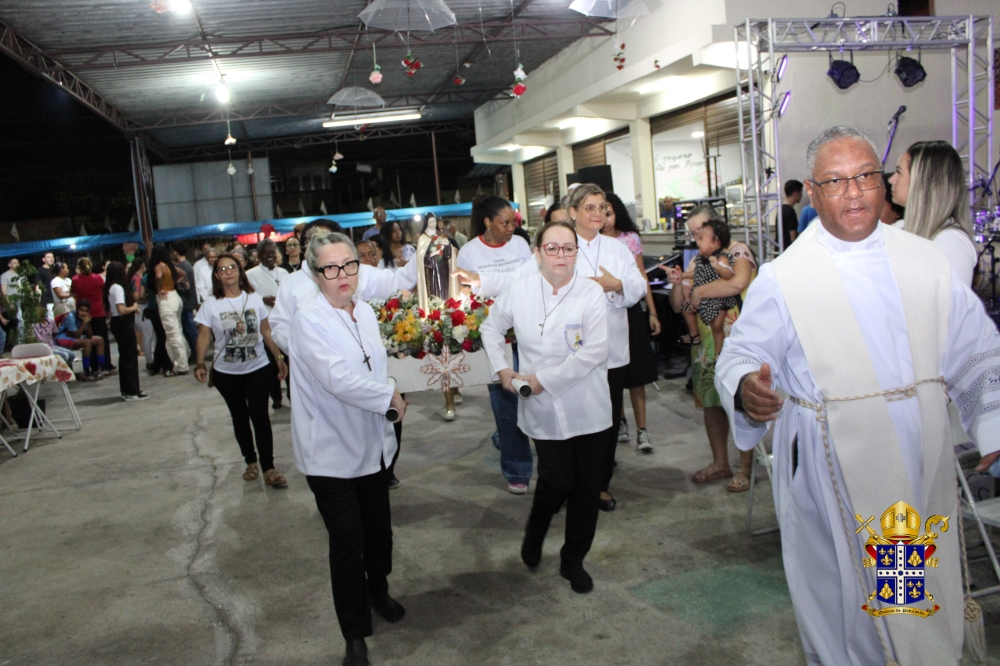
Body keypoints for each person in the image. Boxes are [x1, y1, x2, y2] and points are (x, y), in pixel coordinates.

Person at [717, 125, 1000, 665]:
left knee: (903, 594)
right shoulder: (785, 277)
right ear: (815, 192)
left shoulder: (924, 260)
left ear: (882, 184)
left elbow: (976, 348)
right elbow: (739, 354)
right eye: (836, 181)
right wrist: (745, 390)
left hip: (911, 468)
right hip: (829, 468)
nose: (854, 192)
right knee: (839, 594)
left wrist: (993, 424)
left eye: (866, 176)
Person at [459, 186, 647, 510]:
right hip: (558, 355)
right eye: (590, 207)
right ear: (573, 212)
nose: (598, 213)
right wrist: (479, 279)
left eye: (603, 207)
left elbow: (638, 286)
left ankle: (598, 484)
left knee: (605, 421)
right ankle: (564, 484)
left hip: (608, 351)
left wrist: (616, 285)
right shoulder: (558, 244)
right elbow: (516, 278)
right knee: (562, 429)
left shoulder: (617, 250)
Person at [289, 232, 408, 666]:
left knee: (379, 534)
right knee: (347, 541)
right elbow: (337, 379)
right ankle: (354, 633)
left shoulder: (366, 314)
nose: (344, 275)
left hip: (374, 446)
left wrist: (392, 389)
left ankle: (379, 590)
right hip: (331, 454)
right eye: (332, 268)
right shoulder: (310, 319)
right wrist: (389, 397)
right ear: (315, 273)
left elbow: (376, 368)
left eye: (350, 265)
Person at [481, 220, 610, 593]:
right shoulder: (519, 291)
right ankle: (536, 529)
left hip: (589, 407)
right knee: (556, 480)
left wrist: (543, 380)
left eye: (568, 248)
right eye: (551, 248)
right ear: (537, 253)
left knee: (586, 487)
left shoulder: (590, 293)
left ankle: (573, 560)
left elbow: (595, 351)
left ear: (577, 253)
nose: (561, 255)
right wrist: (502, 368)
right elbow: (491, 329)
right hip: (540, 408)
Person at [666, 205, 757, 493]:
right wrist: (679, 284)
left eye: (699, 230)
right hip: (706, 345)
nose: (696, 237)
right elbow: (679, 304)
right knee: (711, 403)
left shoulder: (738, 251)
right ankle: (720, 462)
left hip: (737, 338)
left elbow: (738, 283)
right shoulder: (697, 260)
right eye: (692, 233)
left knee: (743, 404)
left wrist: (701, 291)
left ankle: (746, 467)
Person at [455, 195, 535, 492]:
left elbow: (527, 281)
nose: (511, 228)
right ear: (487, 222)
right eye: (504, 223)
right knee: (506, 396)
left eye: (513, 222)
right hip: (493, 333)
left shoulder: (521, 246)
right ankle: (518, 468)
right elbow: (465, 295)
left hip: (527, 328)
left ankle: (505, 437)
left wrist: (486, 280)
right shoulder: (469, 252)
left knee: (531, 392)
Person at [194, 253, 288, 488]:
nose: (228, 272)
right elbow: (204, 335)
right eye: (222, 269)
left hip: (257, 367)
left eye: (232, 267)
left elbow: (266, 331)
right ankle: (250, 462)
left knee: (260, 416)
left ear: (240, 270)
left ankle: (268, 467)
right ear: (216, 275)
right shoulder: (211, 303)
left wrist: (278, 357)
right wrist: (199, 363)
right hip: (227, 373)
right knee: (239, 417)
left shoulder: (254, 298)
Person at [270, 220, 418, 356]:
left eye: (329, 240)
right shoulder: (291, 283)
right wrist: (306, 351)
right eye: (315, 241)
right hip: (311, 369)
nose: (321, 247)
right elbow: (279, 327)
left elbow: (398, 281)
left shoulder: (357, 272)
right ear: (305, 246)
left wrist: (423, 250)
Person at [600, 192, 659, 453]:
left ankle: (643, 430)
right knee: (612, 374)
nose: (604, 217)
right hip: (603, 315)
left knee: (636, 375)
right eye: (600, 211)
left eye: (609, 211)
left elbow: (641, 277)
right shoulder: (591, 243)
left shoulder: (629, 239)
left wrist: (653, 312)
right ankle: (620, 422)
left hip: (631, 310)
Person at [889, 140, 977, 287]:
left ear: (922, 182)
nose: (892, 179)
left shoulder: (951, 242)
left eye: (899, 172)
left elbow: (948, 306)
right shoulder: (900, 228)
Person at [246, 239, 290, 411]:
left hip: (285, 323)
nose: (270, 256)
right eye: (266, 253)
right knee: (272, 364)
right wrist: (263, 299)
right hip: (265, 325)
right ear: (259, 255)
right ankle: (276, 397)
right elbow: (247, 298)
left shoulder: (284, 273)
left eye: (273, 252)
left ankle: (292, 397)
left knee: (289, 360)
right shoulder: (251, 274)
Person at [683, 220, 737, 358]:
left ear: (714, 242)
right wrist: (683, 275)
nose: (697, 241)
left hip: (717, 298)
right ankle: (694, 335)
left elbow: (729, 274)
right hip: (704, 298)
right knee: (686, 309)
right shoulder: (701, 259)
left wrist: (718, 266)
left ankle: (720, 354)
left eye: (700, 238)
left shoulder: (721, 258)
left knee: (717, 326)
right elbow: (698, 273)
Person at [104, 261, 148, 401]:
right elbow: (121, 309)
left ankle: (128, 389)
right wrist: (134, 307)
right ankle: (131, 390)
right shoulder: (117, 288)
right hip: (123, 323)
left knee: (126, 358)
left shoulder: (111, 287)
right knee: (129, 358)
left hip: (119, 324)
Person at [148, 246, 190, 376]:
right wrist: (174, 284)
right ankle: (183, 358)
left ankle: (181, 365)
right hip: (175, 296)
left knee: (172, 333)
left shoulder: (158, 266)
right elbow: (183, 274)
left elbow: (158, 277)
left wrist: (158, 288)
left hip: (166, 300)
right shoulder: (169, 265)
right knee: (178, 330)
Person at [71, 258, 115, 375]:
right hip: (99, 311)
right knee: (102, 339)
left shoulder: (75, 280)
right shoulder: (97, 278)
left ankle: (93, 367)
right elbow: (104, 291)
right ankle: (105, 365)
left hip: (84, 313)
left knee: (88, 339)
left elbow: (73, 293)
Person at [55, 299, 106, 381]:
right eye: (81, 310)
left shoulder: (84, 319)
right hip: (63, 337)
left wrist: (88, 323)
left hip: (75, 337)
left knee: (99, 340)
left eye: (86, 311)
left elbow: (89, 335)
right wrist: (84, 323)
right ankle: (87, 373)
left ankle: (102, 368)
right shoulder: (71, 317)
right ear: (77, 309)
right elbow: (77, 335)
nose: (83, 313)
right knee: (86, 343)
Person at [172, 241, 200, 359]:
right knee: (188, 328)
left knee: (189, 328)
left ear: (175, 252)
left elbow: (186, 285)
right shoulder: (187, 264)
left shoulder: (183, 266)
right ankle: (195, 351)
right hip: (189, 301)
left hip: (185, 302)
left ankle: (197, 352)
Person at [128, 258, 148, 358]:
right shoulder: (137, 279)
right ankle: (143, 348)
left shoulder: (133, 278)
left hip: (136, 306)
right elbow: (136, 296)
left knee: (138, 329)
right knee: (141, 330)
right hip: (140, 306)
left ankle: (141, 348)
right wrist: (145, 295)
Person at [778, 179, 803, 249]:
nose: (802, 196)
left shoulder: (780, 210)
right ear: (795, 194)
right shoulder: (790, 212)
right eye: (801, 193)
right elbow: (793, 237)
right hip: (787, 250)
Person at [36, 252, 55, 319]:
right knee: (51, 319)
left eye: (52, 257)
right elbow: (38, 286)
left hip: (57, 299)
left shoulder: (55, 269)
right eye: (48, 257)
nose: (51, 259)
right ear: (44, 259)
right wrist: (39, 300)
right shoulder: (40, 270)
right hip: (48, 299)